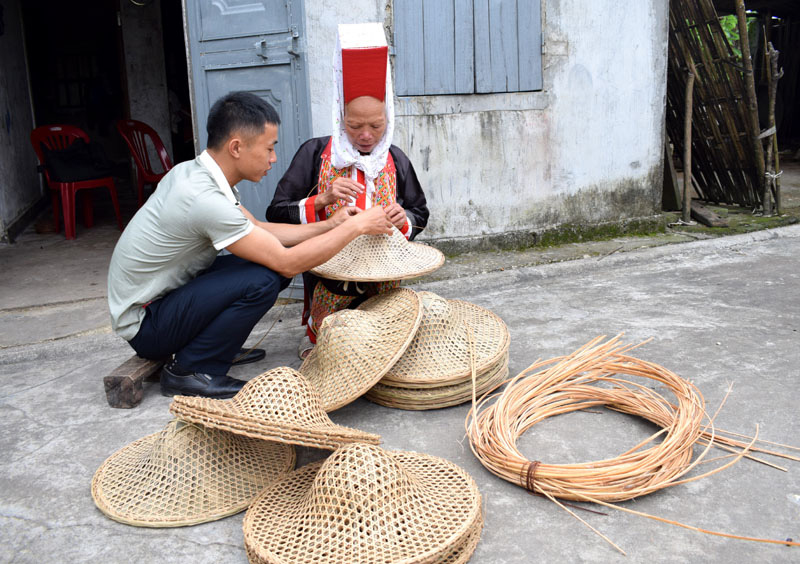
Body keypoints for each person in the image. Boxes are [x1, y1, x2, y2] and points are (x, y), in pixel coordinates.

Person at [107, 91, 393, 399]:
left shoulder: (196, 173)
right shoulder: (203, 198)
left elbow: (257, 228)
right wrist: (356, 227)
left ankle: (214, 344)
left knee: (264, 266)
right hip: (147, 324)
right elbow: (287, 263)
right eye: (269, 148)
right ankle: (192, 369)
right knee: (264, 277)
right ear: (236, 147)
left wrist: (331, 224)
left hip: (163, 302)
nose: (273, 158)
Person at [266, 23, 429, 358]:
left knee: (382, 342)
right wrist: (322, 199)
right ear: (340, 119)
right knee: (333, 344)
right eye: (355, 126)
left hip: (384, 274)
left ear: (388, 120)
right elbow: (276, 212)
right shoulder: (315, 153)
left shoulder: (395, 159)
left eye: (376, 126)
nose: (366, 135)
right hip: (329, 272)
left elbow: (420, 212)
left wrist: (404, 220)